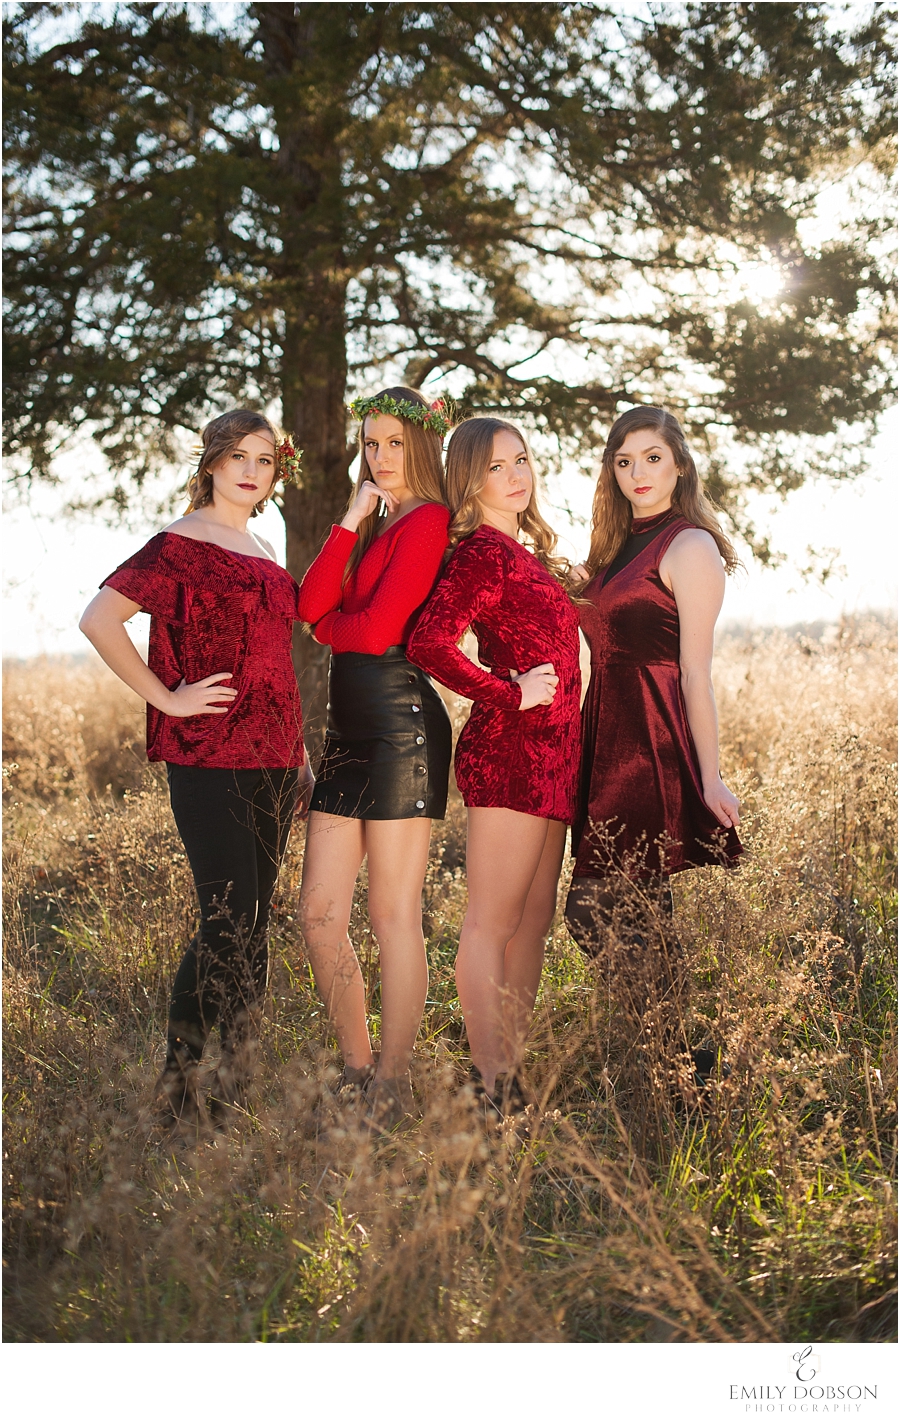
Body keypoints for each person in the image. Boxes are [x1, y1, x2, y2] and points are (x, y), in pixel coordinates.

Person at [79, 409, 313, 1133]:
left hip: (276, 759)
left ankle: (233, 1090)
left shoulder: (266, 547)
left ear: (276, 473)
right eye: (237, 456)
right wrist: (167, 698)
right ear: (212, 463)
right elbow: (98, 618)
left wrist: (300, 752)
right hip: (208, 757)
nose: (250, 470)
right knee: (226, 920)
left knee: (257, 927)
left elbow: (277, 662)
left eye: (264, 460)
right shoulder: (178, 545)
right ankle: (176, 1089)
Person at [407, 416, 582, 1119]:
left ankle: (512, 1070)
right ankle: (490, 1086)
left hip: (556, 760)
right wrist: (507, 691)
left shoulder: (527, 553)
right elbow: (430, 641)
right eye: (495, 467)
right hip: (509, 754)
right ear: (469, 482)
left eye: (522, 460)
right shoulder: (482, 552)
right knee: (491, 922)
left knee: (533, 923)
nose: (515, 475)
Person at [565, 404, 742, 1095]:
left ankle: (681, 1064)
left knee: (597, 906)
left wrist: (711, 777)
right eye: (624, 461)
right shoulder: (616, 548)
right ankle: (682, 1072)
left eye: (652, 458)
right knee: (638, 909)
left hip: (647, 741)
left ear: (680, 466)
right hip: (603, 731)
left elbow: (695, 673)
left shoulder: (689, 546)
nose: (638, 473)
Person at [296, 387, 452, 1130]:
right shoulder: (378, 521)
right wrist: (349, 519)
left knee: (393, 914)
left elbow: (373, 627)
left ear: (421, 444)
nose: (380, 458)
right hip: (346, 730)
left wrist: (340, 623)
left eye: (393, 443)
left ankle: (391, 1082)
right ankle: (357, 1066)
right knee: (319, 913)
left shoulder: (428, 520)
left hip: (399, 726)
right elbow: (310, 608)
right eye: (370, 444)